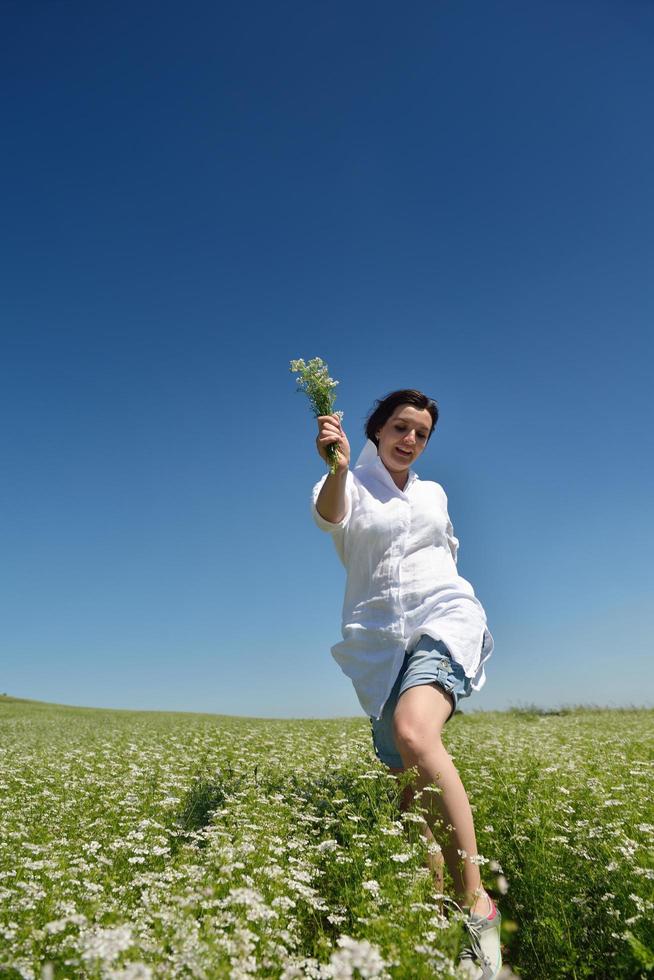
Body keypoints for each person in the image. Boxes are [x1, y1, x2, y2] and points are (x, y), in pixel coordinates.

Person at [310, 389, 502, 979]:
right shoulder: (346, 484)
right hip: (376, 644)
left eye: (421, 432)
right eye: (400, 427)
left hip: (443, 616)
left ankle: (477, 904)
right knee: (408, 786)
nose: (411, 439)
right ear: (375, 431)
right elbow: (330, 516)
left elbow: (445, 553)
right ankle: (436, 905)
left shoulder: (434, 493)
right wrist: (337, 467)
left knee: (415, 734)